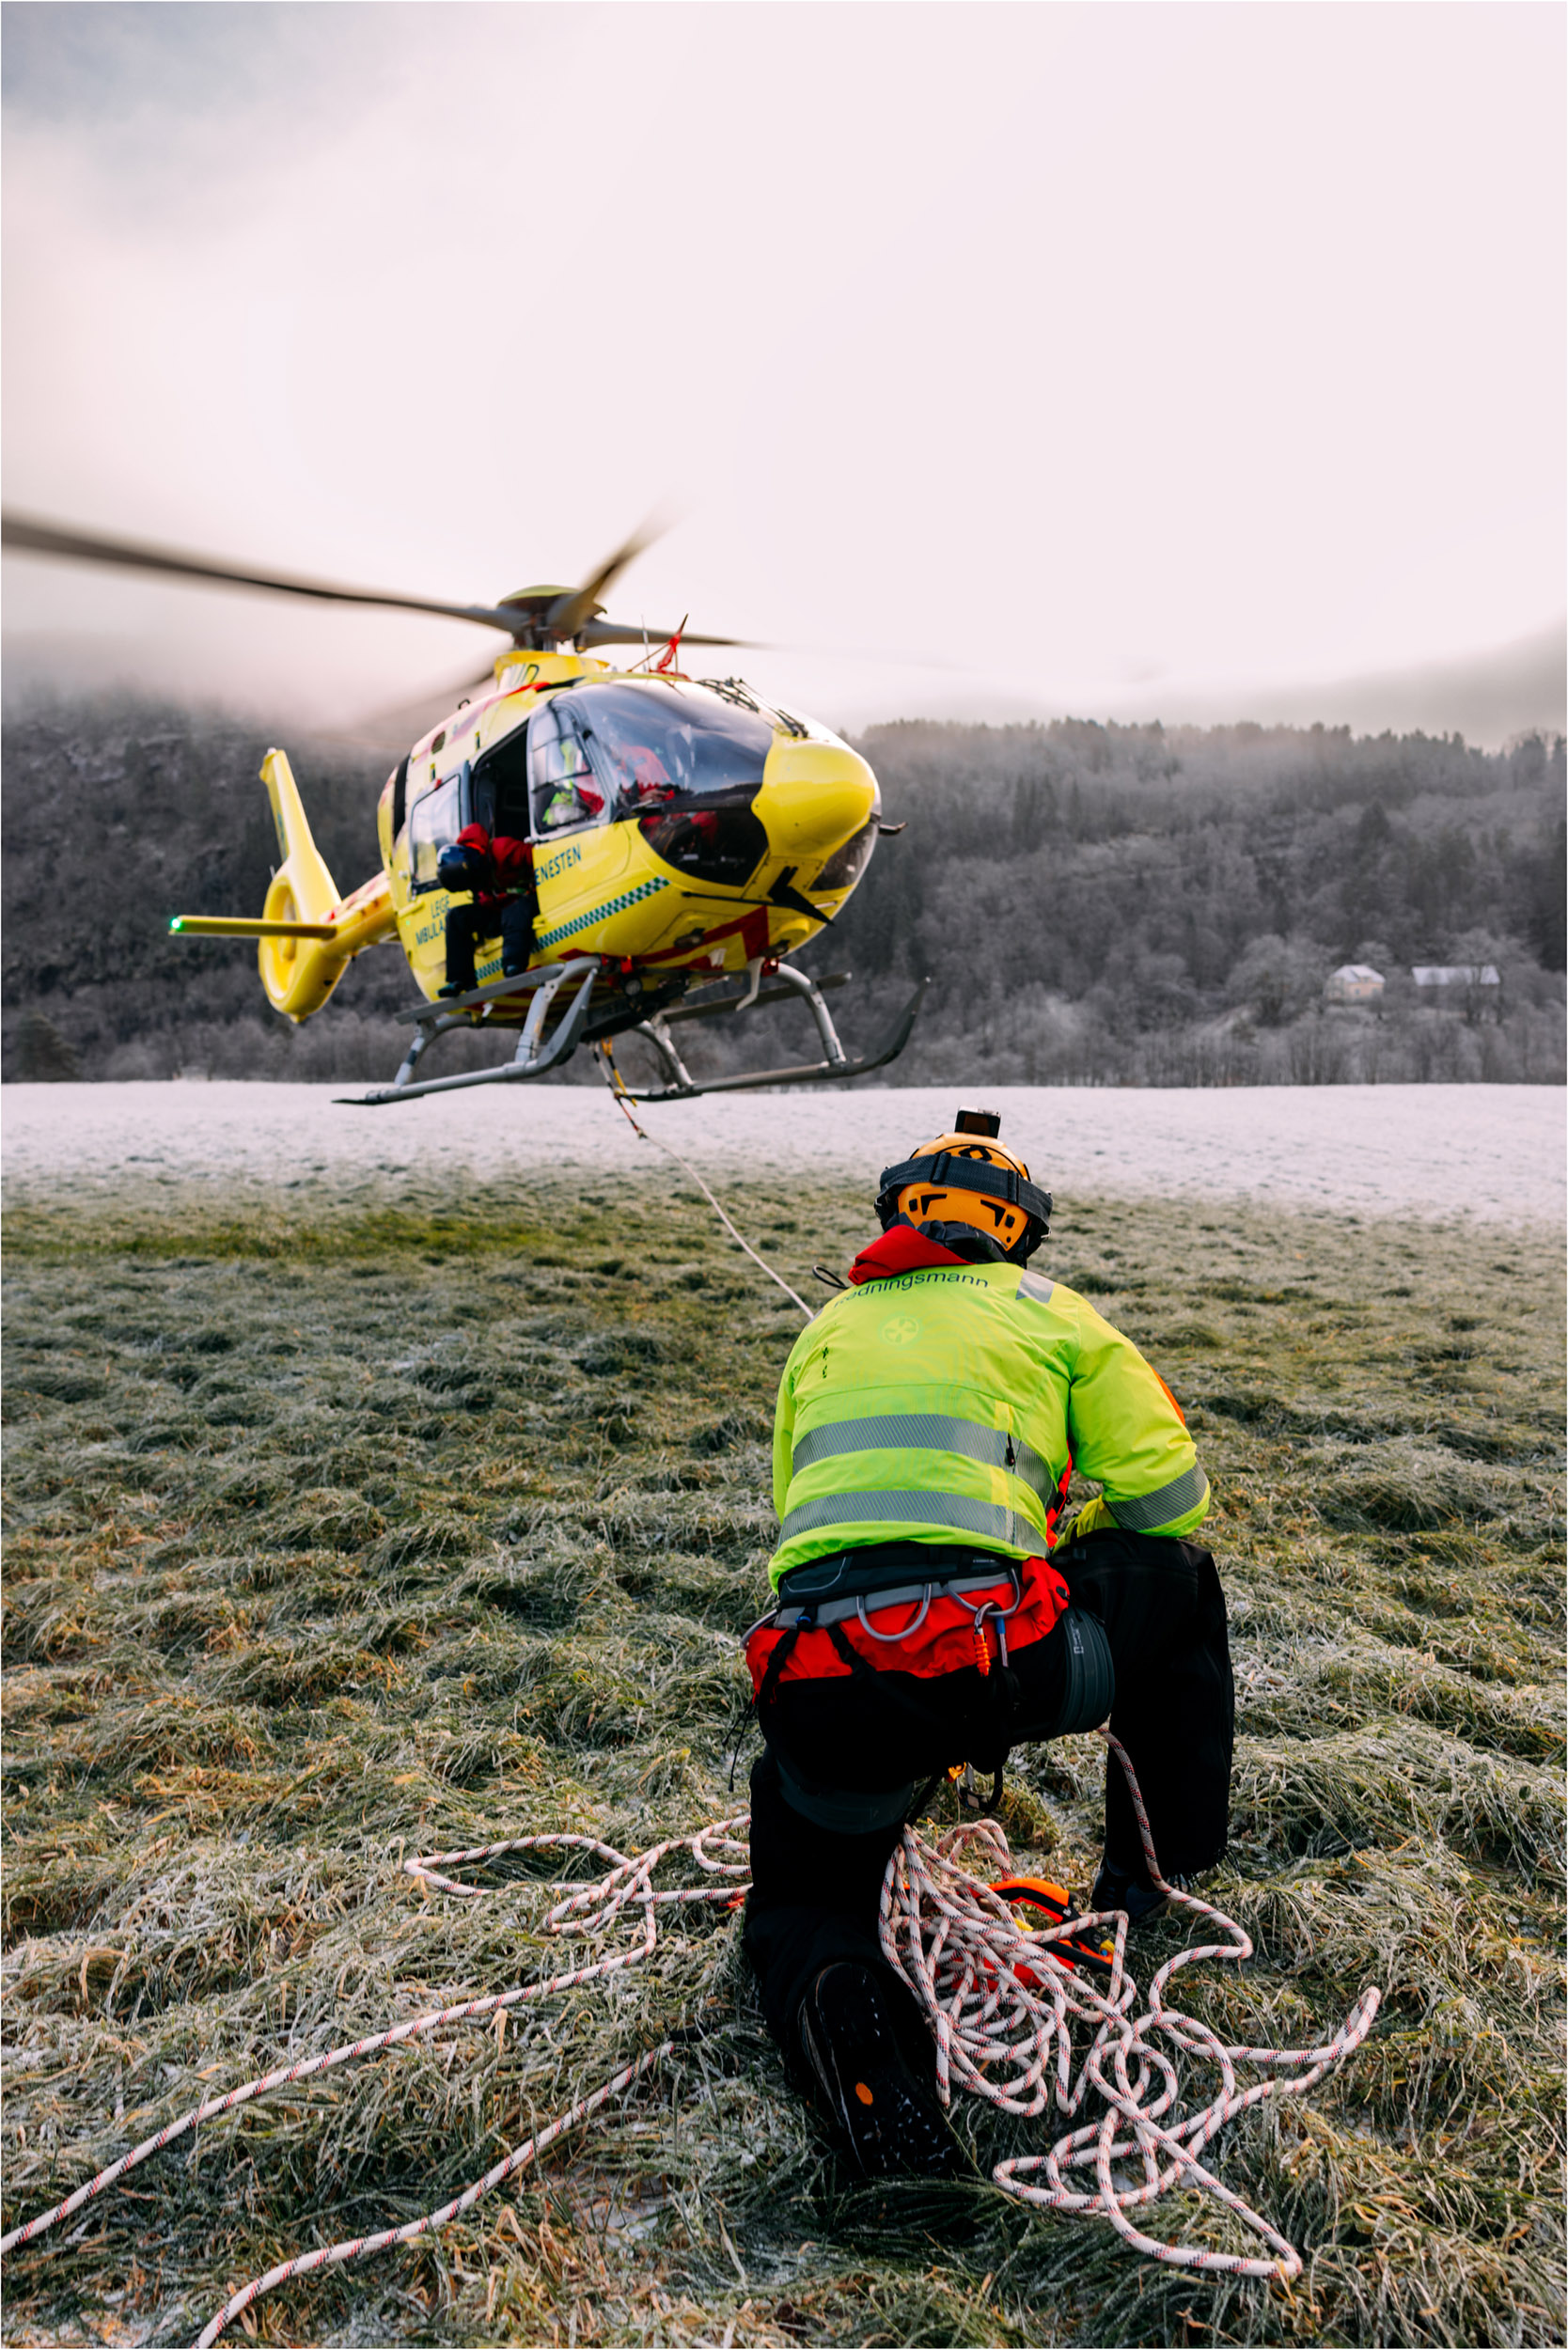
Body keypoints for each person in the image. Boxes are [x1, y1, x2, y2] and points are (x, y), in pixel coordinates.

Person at [742, 1109, 1232, 2178]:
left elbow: (798, 1512)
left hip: (819, 1673)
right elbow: (1171, 1502)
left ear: (897, 1215)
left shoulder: (827, 1327)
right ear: (1019, 1232)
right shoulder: (1060, 1316)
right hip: (996, 1663)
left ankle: (853, 2031)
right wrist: (1060, 1524)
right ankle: (1153, 1888)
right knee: (1183, 1587)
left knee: (804, 1901)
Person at [435, 823, 536, 998]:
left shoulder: (502, 849)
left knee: (513, 911)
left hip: (526, 902)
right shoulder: (472, 878)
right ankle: (460, 979)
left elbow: (536, 855)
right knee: (456, 917)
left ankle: (514, 964)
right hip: (497, 911)